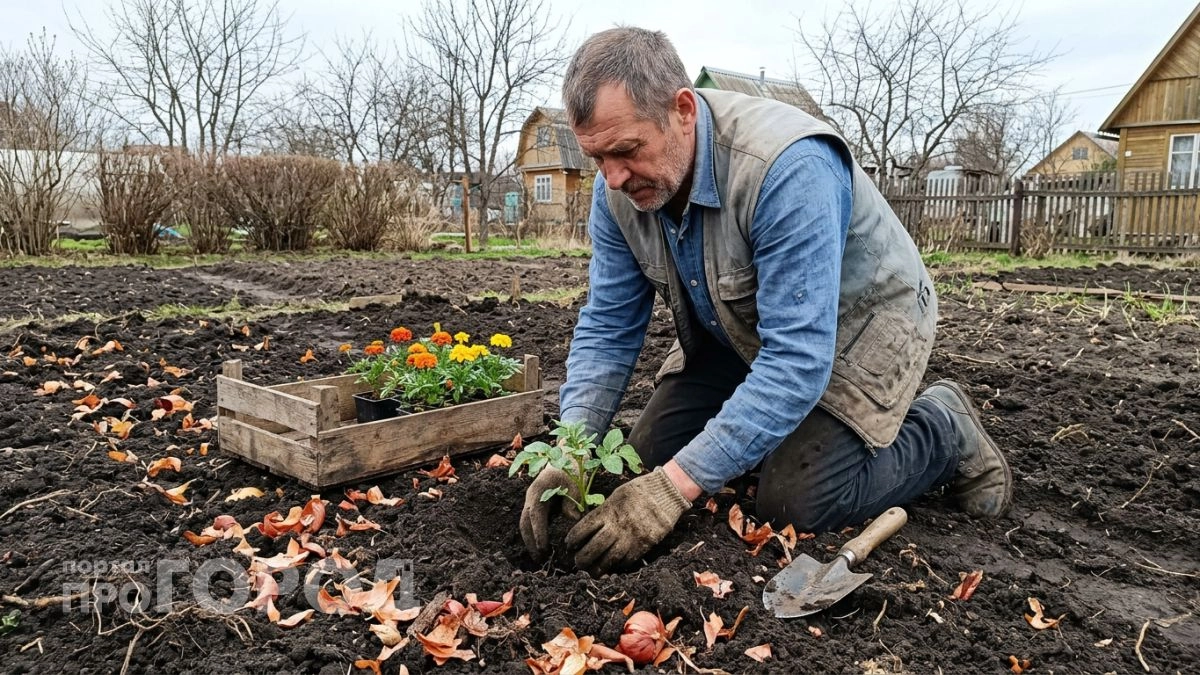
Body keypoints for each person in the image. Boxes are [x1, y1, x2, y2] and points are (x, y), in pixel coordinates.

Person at [519, 27, 1013, 574]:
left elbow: (798, 360)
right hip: (741, 326)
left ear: (682, 110)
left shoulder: (786, 168)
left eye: (626, 151)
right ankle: (759, 438)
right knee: (646, 459)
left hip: (862, 322)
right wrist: (571, 449)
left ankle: (943, 430)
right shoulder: (618, 191)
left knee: (795, 503)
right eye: (596, 158)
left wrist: (673, 491)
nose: (612, 177)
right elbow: (610, 325)